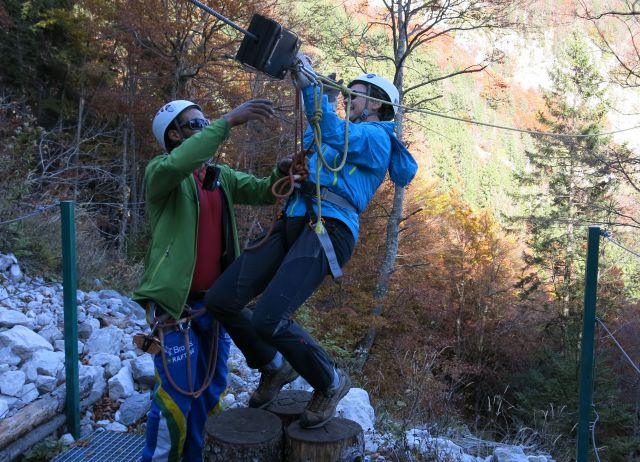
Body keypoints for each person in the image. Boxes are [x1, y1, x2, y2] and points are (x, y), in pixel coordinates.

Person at [204, 55, 418, 428]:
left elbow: (334, 132)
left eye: (356, 94)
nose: (349, 98)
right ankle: (273, 365)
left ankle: (330, 381)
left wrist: (313, 90)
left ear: (378, 105)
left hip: (329, 227)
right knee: (222, 300)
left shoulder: (378, 138)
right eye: (347, 94)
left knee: (270, 316)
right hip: (296, 218)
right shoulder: (341, 133)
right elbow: (321, 135)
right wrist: (294, 166)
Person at [132, 97, 290, 461]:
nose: (206, 128)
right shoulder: (162, 173)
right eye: (196, 125)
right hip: (177, 309)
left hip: (214, 307)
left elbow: (264, 191)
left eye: (207, 123)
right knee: (175, 397)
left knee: (211, 393)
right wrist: (228, 121)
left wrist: (282, 172)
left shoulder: (220, 178)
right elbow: (181, 161)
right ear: (174, 135)